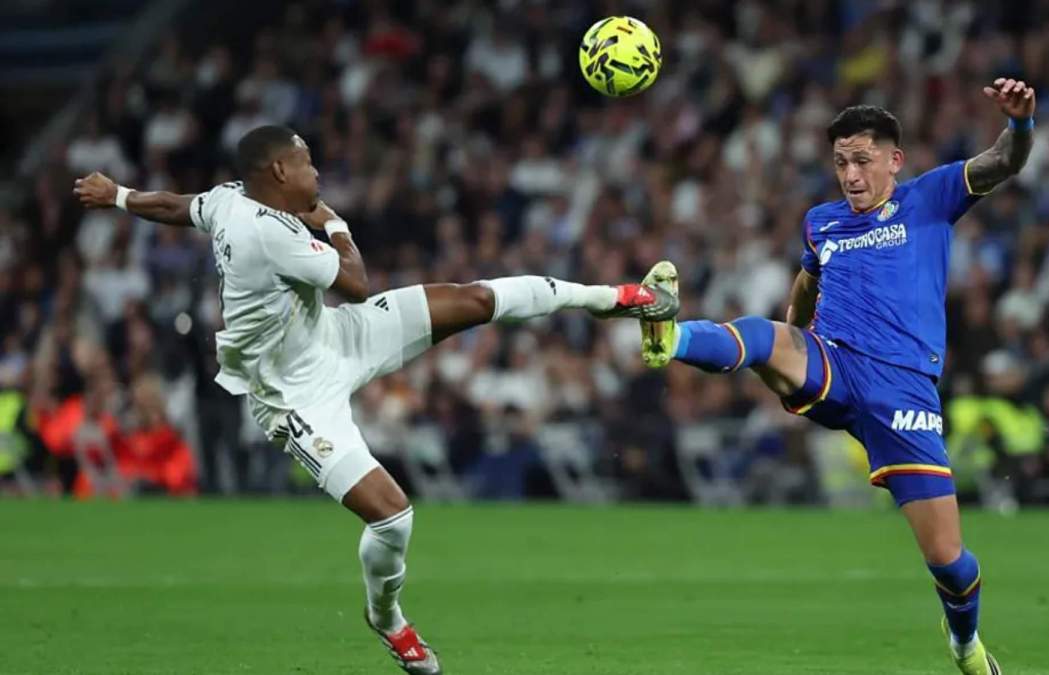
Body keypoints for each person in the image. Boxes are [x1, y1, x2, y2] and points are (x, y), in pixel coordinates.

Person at [73, 124, 678, 674]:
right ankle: (387, 618)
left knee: (473, 299)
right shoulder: (269, 234)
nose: (317, 172)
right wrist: (336, 225)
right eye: (307, 161)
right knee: (392, 515)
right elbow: (357, 282)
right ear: (279, 171)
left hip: (336, 335)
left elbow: (179, 206)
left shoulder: (229, 199)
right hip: (295, 397)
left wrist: (119, 196)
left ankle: (619, 299)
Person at [635, 78, 1037, 675]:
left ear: (894, 160)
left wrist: (1020, 123)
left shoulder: (931, 197)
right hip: (836, 363)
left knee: (949, 562)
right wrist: (792, 336)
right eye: (841, 162)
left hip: (903, 389)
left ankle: (965, 645)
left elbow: (1004, 161)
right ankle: (671, 337)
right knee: (763, 334)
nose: (850, 175)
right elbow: (808, 279)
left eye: (862, 161)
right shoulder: (821, 223)